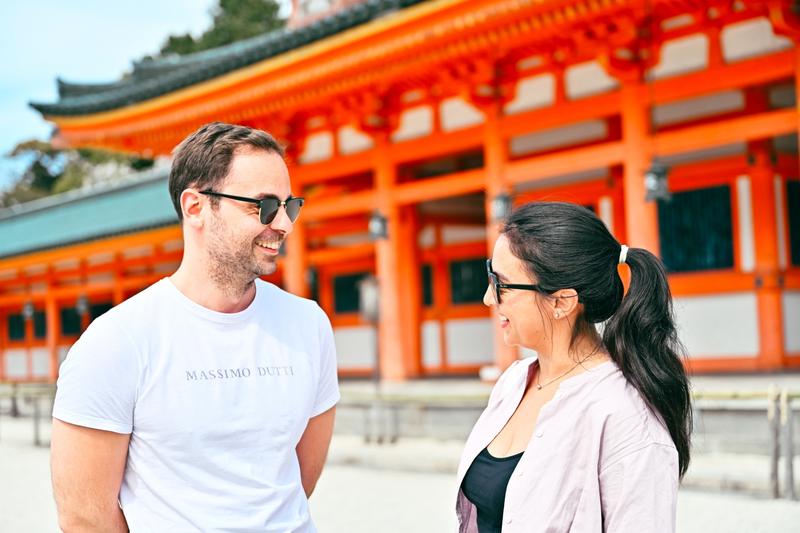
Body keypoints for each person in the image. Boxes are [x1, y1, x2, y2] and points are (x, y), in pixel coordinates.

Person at [51, 122, 339, 532]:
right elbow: (85, 518)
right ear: (196, 206)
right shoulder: (118, 341)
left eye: (289, 206)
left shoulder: (308, 325)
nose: (284, 224)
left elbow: (298, 478)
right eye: (264, 206)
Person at [456, 202, 692, 532]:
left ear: (562, 302)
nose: (487, 298)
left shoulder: (627, 418)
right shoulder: (513, 382)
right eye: (489, 275)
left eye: (501, 284)